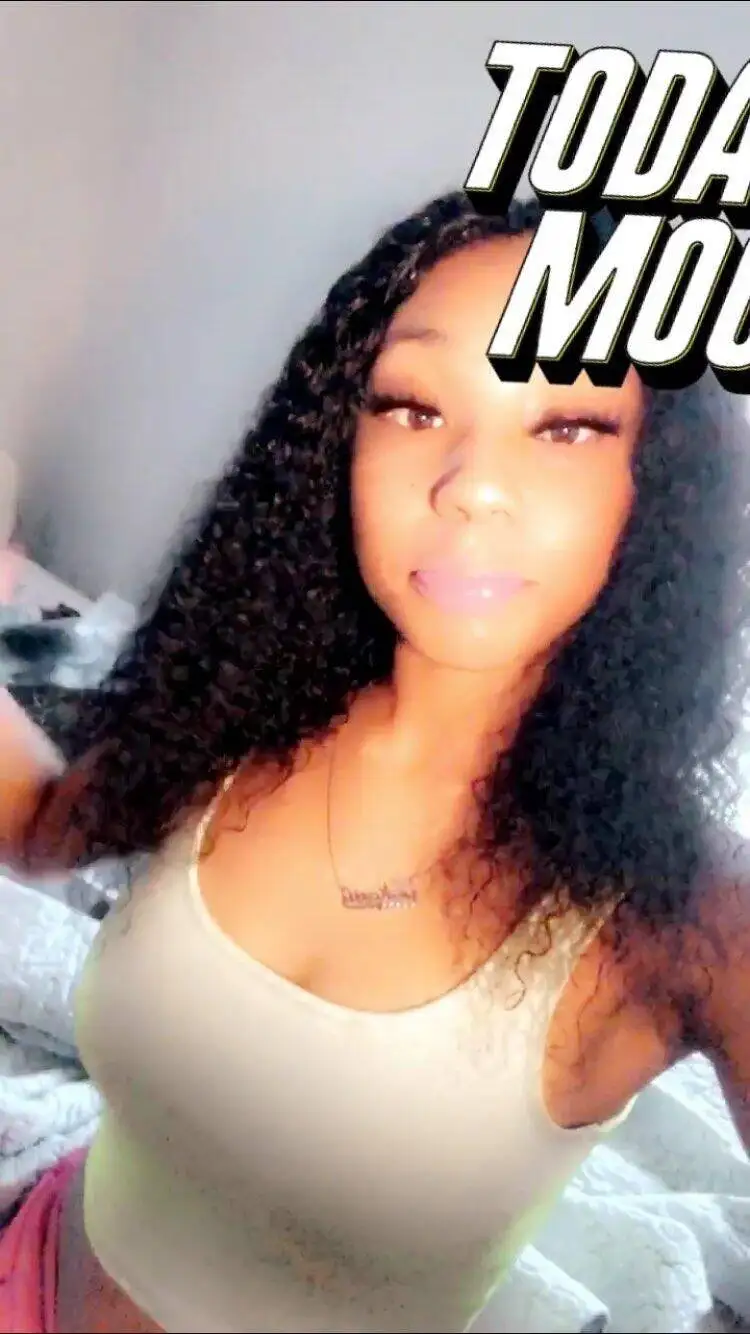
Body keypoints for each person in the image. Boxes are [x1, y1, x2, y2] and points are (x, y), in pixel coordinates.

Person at [0, 191, 748, 1334]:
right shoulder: (239, 713)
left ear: (662, 485)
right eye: (411, 405)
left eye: (566, 426)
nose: (468, 483)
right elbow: (44, 822)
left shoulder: (687, 918)